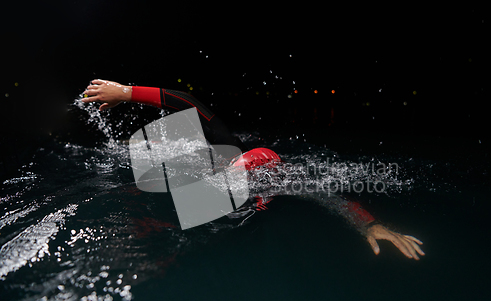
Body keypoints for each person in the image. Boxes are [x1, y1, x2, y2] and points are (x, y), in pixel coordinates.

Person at [82, 79, 425, 260]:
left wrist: (371, 225)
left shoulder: (270, 181)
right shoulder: (217, 149)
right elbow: (190, 102)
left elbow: (330, 196)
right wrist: (126, 93)